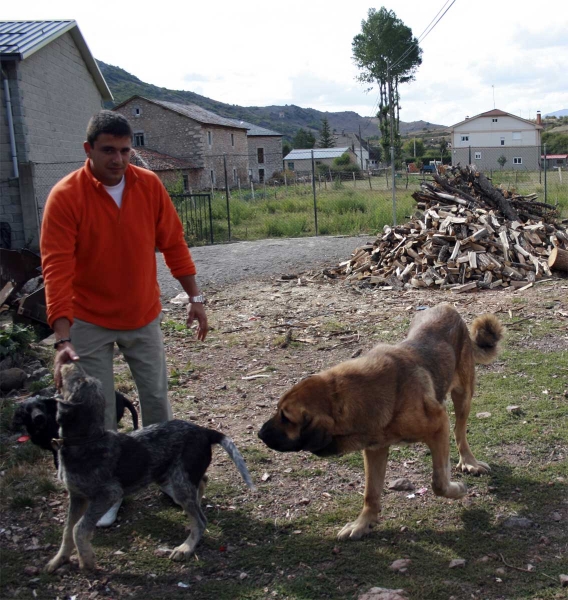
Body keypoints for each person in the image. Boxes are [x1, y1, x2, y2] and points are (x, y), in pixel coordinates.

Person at [40, 110, 208, 525]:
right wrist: (63, 339)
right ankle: (106, 491)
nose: (118, 159)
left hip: (141, 313)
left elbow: (173, 243)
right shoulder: (65, 197)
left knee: (156, 399)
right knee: (97, 413)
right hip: (89, 320)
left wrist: (195, 297)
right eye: (108, 150)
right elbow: (56, 268)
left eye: (125, 150)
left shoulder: (148, 186)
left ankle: (168, 478)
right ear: (89, 150)